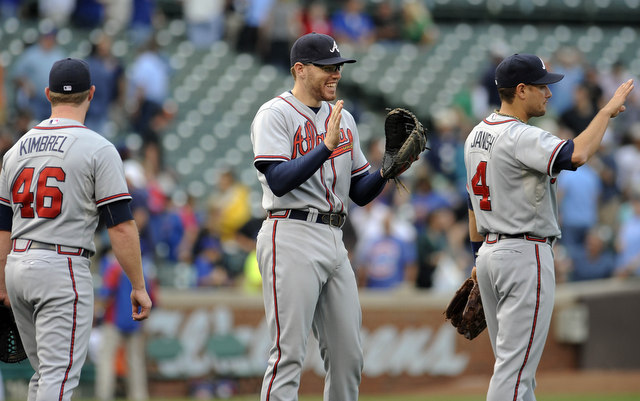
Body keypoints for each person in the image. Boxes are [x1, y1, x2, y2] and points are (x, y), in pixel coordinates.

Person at [463, 53, 633, 400]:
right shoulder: (520, 135)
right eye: (543, 87)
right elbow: (577, 154)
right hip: (523, 254)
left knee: (516, 373)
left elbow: (471, 207)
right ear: (521, 90)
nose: (550, 94)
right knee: (514, 374)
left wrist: (477, 259)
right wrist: (604, 112)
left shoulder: (475, 135)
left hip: (490, 255)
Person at [0, 58, 152, 401]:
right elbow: (122, 226)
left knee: (44, 375)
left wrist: (1, 281)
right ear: (92, 94)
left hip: (17, 265)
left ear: (48, 94)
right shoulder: (98, 147)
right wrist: (138, 285)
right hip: (61, 266)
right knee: (59, 376)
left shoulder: (15, 151)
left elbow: (2, 226)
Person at [250, 32, 392, 400]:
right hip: (290, 230)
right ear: (299, 69)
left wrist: (389, 170)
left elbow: (360, 191)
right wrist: (325, 147)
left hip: (334, 236)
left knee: (348, 357)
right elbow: (278, 180)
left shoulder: (344, 119)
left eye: (338, 67)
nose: (336, 74)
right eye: (327, 67)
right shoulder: (274, 114)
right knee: (288, 355)